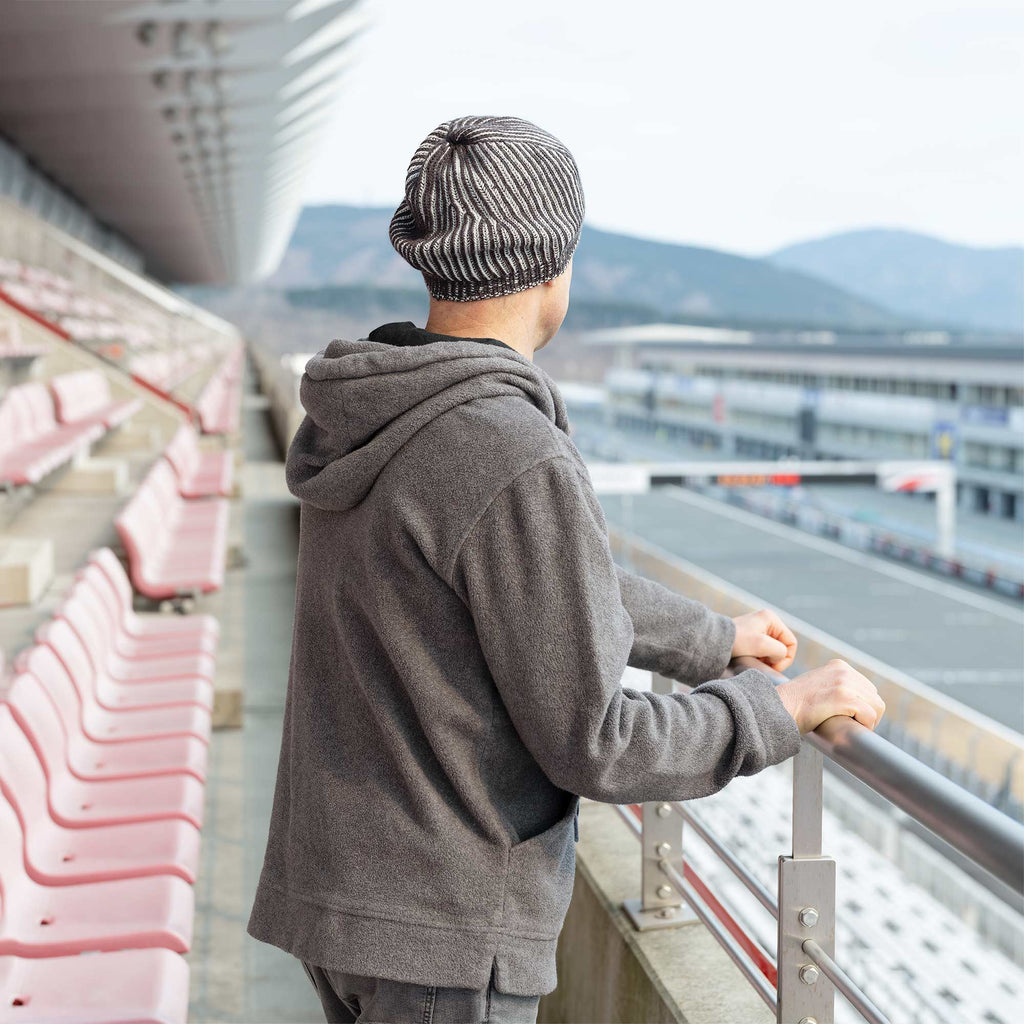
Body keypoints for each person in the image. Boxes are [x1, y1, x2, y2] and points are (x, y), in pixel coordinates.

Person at [247, 114, 886, 1024]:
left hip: (345, 893)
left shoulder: (379, 408)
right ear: (556, 262)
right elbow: (599, 740)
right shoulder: (508, 449)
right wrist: (774, 708)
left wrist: (713, 639)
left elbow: (535, 582)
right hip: (445, 930)